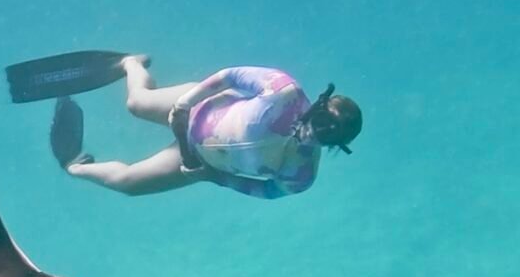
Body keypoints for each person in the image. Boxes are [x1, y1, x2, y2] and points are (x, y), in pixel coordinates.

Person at [61, 57, 362, 198]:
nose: (314, 134)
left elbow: (269, 191)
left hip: (200, 159)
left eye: (328, 137)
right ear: (318, 106)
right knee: (136, 104)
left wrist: (212, 177)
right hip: (199, 110)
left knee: (128, 184)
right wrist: (184, 105)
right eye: (321, 123)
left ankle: (75, 168)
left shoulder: (301, 174)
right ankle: (131, 63)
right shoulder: (283, 92)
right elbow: (230, 76)